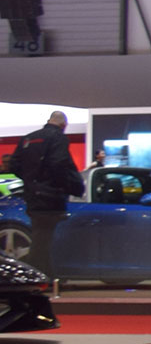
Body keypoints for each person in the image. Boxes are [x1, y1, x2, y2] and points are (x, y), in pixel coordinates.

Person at [6, 110, 85, 276]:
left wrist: (31, 180)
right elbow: (59, 164)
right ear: (63, 125)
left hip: (32, 197)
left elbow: (13, 165)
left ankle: (47, 277)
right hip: (51, 198)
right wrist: (62, 185)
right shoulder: (58, 138)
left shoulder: (28, 138)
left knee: (41, 237)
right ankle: (36, 276)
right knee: (44, 241)